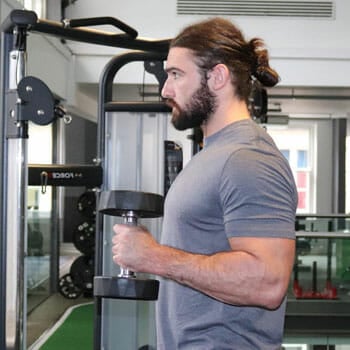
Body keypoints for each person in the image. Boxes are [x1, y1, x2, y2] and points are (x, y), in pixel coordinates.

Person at [112, 17, 298, 350]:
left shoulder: (248, 158)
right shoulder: (214, 152)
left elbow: (268, 283)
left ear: (218, 77)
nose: (165, 89)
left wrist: (153, 256)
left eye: (176, 75)